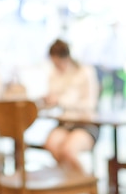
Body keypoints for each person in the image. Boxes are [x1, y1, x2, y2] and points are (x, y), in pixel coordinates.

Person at [43, 39, 99, 173]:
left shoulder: (85, 72)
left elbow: (90, 104)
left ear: (66, 57)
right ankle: (69, 183)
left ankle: (88, 185)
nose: (57, 66)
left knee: (68, 150)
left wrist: (61, 101)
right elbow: (54, 98)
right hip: (65, 122)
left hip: (86, 122)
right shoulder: (54, 74)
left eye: (58, 62)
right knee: (51, 144)